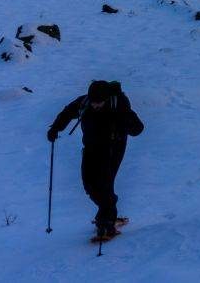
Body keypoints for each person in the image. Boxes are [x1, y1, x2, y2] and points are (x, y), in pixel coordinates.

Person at [47, 80, 144, 240]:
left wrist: (124, 122)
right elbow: (67, 112)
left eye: (99, 103)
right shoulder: (84, 102)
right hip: (91, 148)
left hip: (113, 148)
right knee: (89, 184)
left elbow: (138, 128)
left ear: (106, 99)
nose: (95, 106)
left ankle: (106, 221)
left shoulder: (119, 105)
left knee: (104, 183)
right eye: (93, 102)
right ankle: (107, 211)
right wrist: (55, 128)